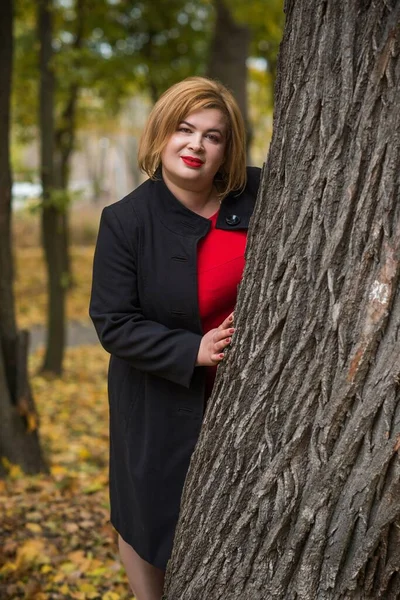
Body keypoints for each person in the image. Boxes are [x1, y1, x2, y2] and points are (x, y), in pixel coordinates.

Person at [89, 76, 261, 600]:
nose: (196, 146)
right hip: (160, 399)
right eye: (185, 130)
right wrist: (194, 349)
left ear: (227, 149)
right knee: (152, 519)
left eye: (213, 136)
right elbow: (113, 321)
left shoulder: (261, 195)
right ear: (161, 134)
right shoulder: (126, 221)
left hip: (252, 398)